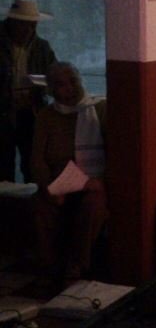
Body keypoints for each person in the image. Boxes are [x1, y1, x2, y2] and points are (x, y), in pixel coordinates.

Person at [31, 62, 107, 280]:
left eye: (73, 81)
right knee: (41, 206)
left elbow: (116, 153)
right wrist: (49, 187)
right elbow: (37, 160)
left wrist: (100, 180)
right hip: (59, 182)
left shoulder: (100, 110)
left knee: (93, 205)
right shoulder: (47, 116)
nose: (70, 89)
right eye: (61, 85)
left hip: (93, 180)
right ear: (52, 90)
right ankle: (49, 266)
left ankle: (77, 265)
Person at [0, 0, 57, 182]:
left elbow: (54, 76)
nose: (29, 30)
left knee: (33, 164)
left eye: (32, 25)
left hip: (31, 113)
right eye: (24, 25)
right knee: (3, 165)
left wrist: (43, 87)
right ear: (11, 23)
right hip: (2, 113)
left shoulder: (42, 47)